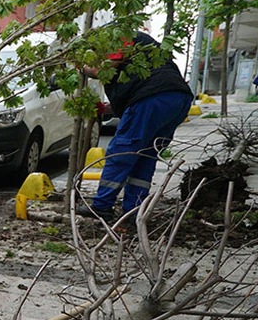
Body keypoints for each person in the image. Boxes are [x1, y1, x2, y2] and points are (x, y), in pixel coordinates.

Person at [79, 31, 193, 221]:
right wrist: (105, 109)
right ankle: (133, 211)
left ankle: (102, 206)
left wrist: (83, 67)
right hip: (177, 99)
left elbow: (104, 69)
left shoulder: (115, 34)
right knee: (145, 157)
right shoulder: (138, 42)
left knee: (121, 152)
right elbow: (137, 94)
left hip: (153, 98)